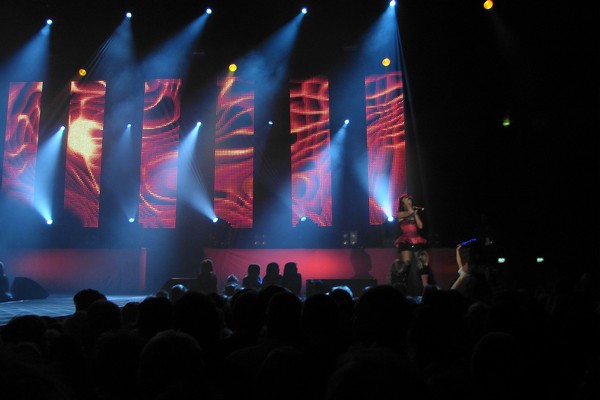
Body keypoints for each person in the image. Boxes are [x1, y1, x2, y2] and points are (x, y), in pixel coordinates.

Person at [392, 194, 427, 293]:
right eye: (407, 200)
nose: (409, 201)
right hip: (405, 240)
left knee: (421, 263)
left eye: (410, 200)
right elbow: (409, 212)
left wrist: (415, 214)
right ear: (403, 203)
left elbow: (420, 226)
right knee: (406, 264)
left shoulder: (413, 212)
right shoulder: (400, 213)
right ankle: (403, 286)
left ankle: (424, 287)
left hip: (416, 239)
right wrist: (408, 206)